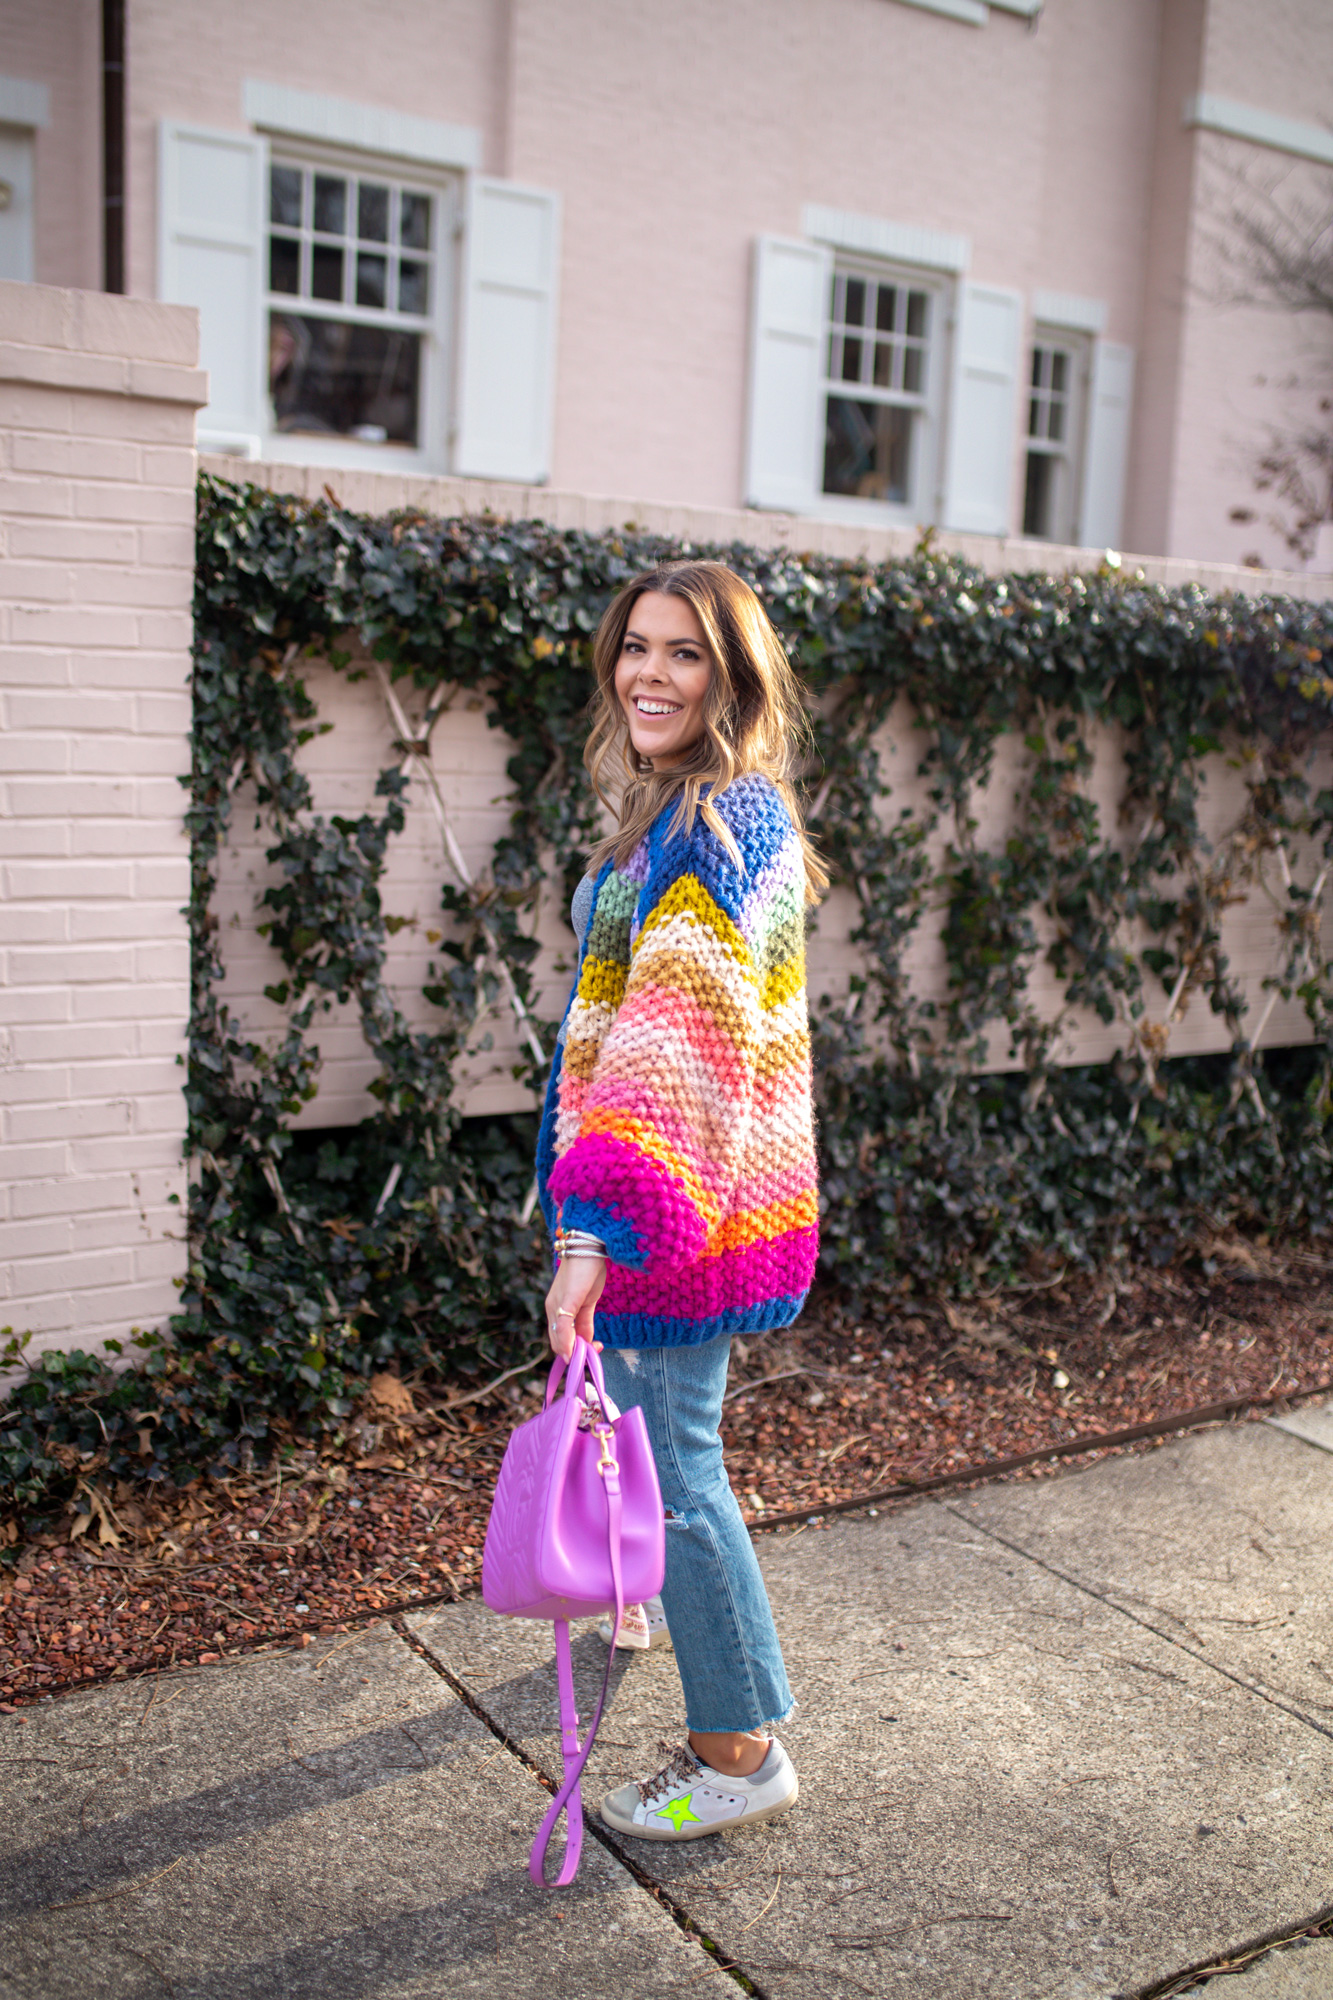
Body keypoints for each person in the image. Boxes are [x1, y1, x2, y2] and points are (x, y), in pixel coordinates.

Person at [536, 559, 826, 1842]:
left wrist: (592, 1234)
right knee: (657, 1446)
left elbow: (669, 1045)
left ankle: (738, 1748)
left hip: (667, 1209)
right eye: (635, 647)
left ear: (732, 677)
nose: (649, 672)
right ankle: (642, 1598)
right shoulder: (670, 812)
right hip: (645, 1197)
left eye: (685, 653)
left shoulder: (723, 824)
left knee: (685, 1468)